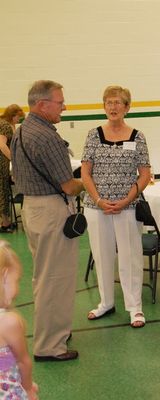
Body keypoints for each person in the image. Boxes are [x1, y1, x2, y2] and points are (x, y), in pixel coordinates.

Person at [10, 80, 84, 361]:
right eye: (60, 102)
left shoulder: (22, 131)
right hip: (51, 211)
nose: (64, 106)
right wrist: (87, 182)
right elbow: (67, 185)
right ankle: (50, 345)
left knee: (44, 275)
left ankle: (54, 331)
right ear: (42, 104)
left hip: (32, 208)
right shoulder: (47, 137)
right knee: (56, 278)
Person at [81, 85, 151, 328]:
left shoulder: (138, 136)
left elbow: (144, 174)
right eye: (109, 102)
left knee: (130, 257)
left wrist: (126, 200)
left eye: (118, 102)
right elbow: (85, 173)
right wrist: (100, 200)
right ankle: (106, 302)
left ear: (127, 107)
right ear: (104, 106)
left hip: (128, 207)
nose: (112, 107)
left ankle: (135, 307)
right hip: (96, 206)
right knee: (102, 255)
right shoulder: (93, 135)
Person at [0, 240, 38, 399]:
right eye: (16, 281)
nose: (17, 288)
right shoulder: (9, 322)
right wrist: (28, 387)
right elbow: (23, 361)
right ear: (4, 276)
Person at [0, 104, 25, 233]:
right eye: (18, 117)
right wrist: (13, 159)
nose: (19, 120)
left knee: (4, 191)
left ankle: (6, 221)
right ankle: (5, 224)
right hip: (2, 163)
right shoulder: (4, 125)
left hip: (5, 162)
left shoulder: (9, 125)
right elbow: (2, 145)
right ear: (13, 115)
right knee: (3, 192)